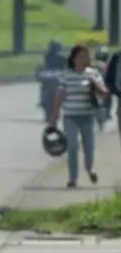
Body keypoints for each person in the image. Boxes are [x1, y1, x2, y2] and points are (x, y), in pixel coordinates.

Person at [49, 44, 108, 188]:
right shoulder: (66, 74)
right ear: (73, 59)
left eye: (85, 56)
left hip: (87, 116)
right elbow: (60, 95)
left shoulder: (93, 73)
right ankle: (72, 179)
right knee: (73, 145)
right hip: (71, 116)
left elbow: (104, 92)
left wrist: (95, 85)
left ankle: (89, 169)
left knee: (89, 147)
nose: (83, 59)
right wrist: (54, 115)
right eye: (80, 57)